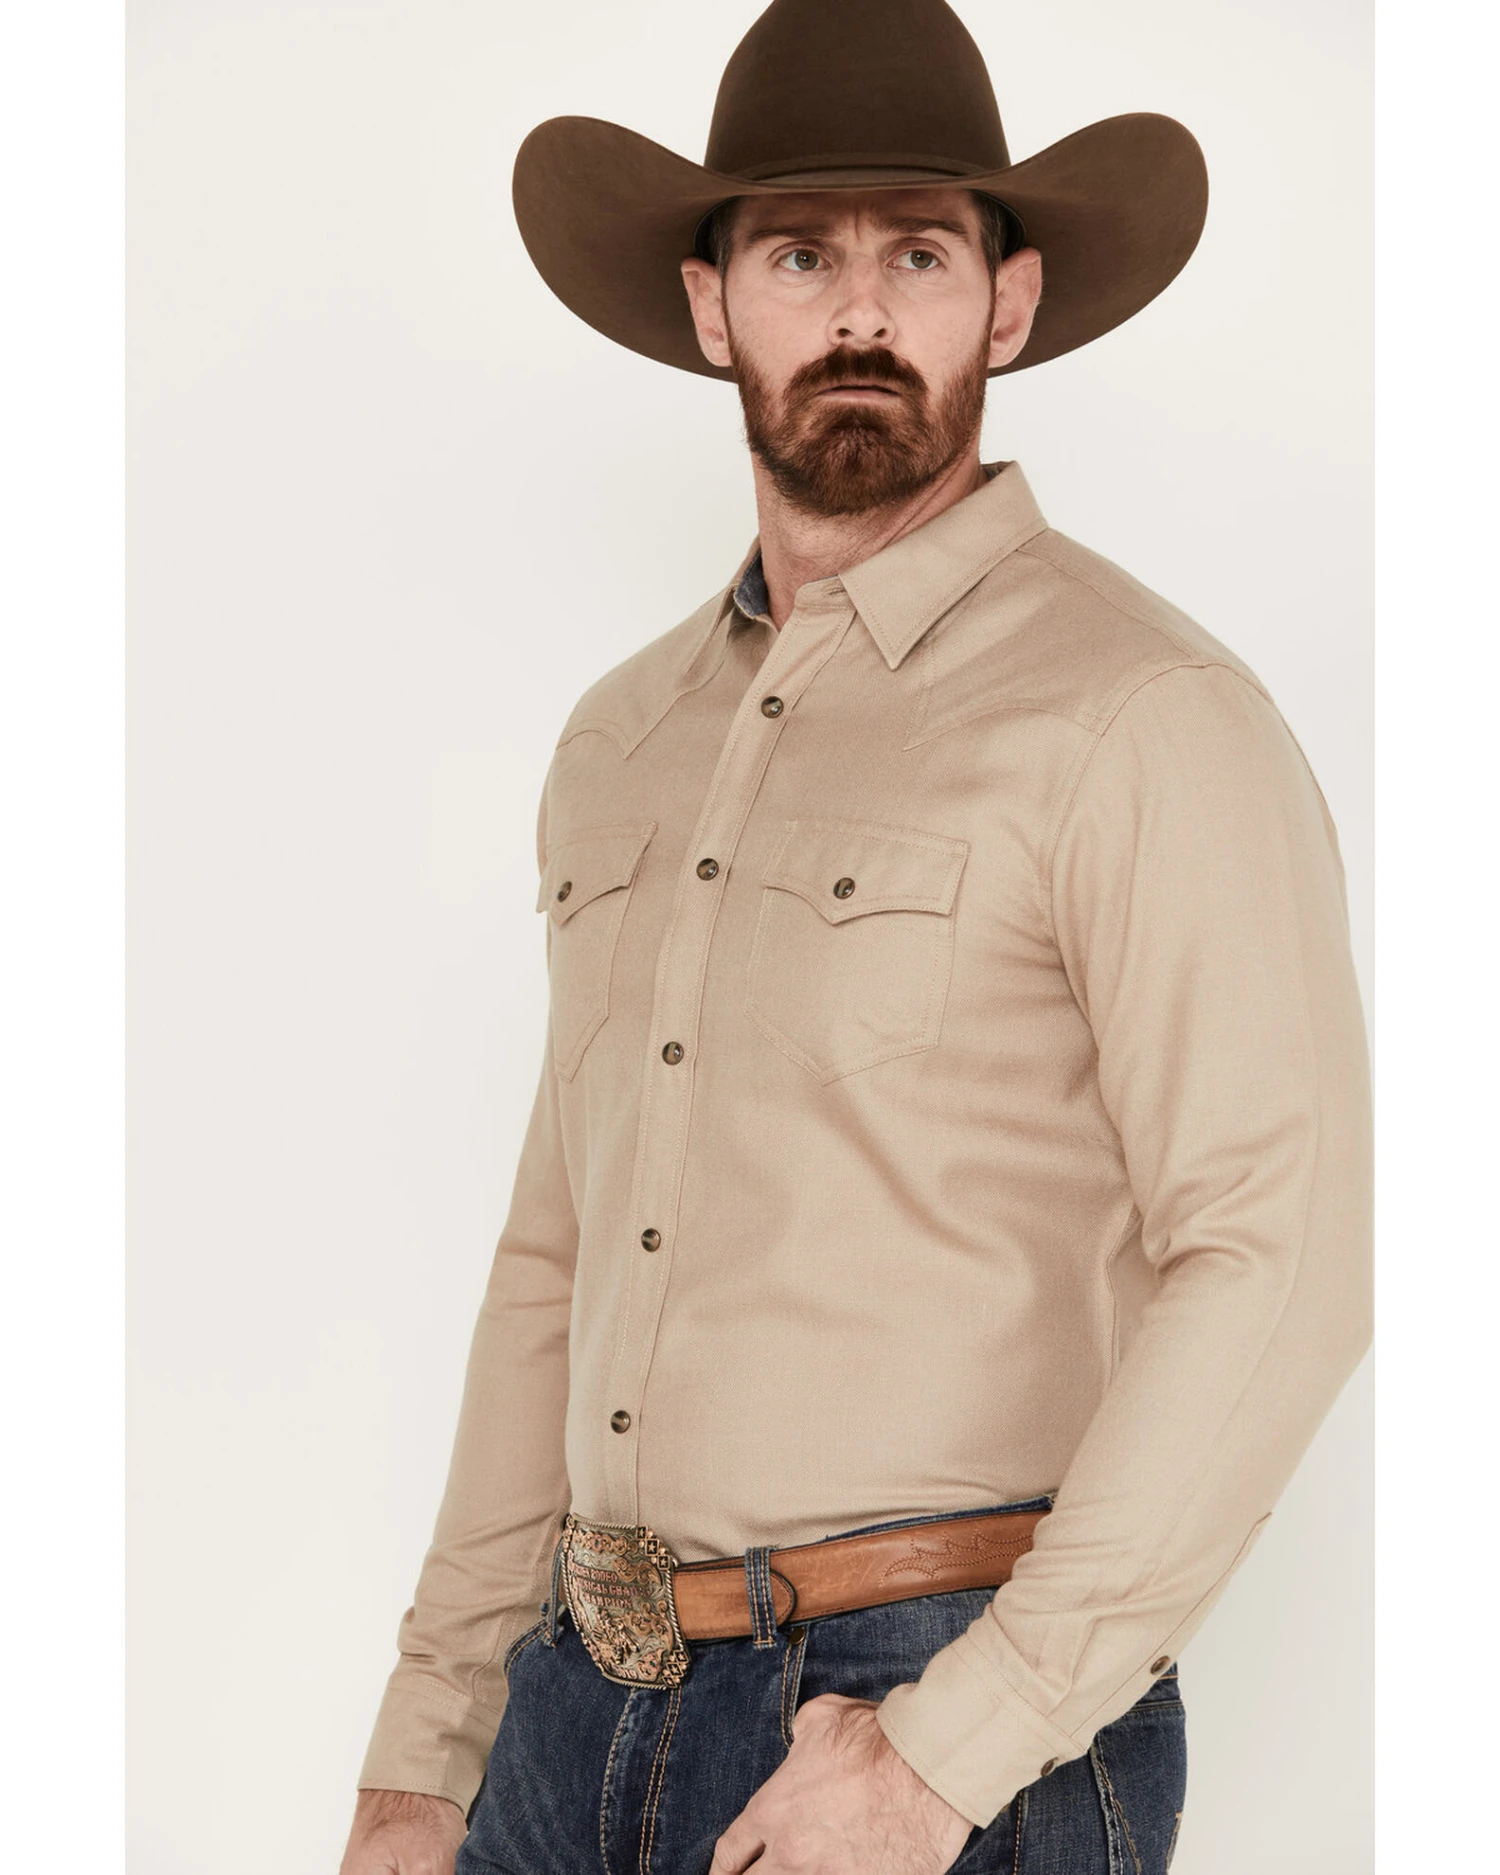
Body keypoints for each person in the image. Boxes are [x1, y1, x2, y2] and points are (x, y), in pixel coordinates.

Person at [339, 3, 1372, 1871]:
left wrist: (951, 1747)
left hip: (921, 1711)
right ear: (713, 306)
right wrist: (429, 1751)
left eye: (921, 255)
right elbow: (555, 1257)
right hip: (568, 1715)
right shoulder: (622, 738)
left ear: (1011, 304)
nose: (863, 312)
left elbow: (1282, 1252)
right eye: (802, 256)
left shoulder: (1143, 716)